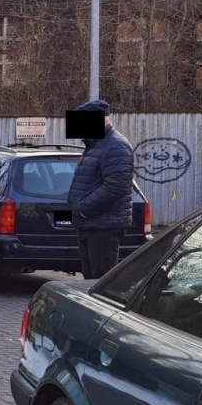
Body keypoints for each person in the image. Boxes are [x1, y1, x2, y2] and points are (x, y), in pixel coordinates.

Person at [68, 98, 134, 279]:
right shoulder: (96, 145)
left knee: (100, 280)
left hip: (104, 225)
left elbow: (116, 186)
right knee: (89, 279)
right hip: (90, 223)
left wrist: (83, 208)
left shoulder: (115, 145)